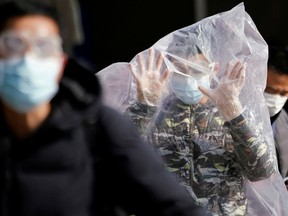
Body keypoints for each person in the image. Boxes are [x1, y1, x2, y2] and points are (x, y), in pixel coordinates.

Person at [0, 1, 211, 216]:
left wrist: (234, 115)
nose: (27, 60)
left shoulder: (95, 127)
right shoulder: (162, 114)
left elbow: (172, 203)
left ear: (61, 61)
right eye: (12, 45)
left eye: (43, 47)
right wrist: (145, 107)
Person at [97, 3, 288, 216]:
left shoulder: (232, 111)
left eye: (196, 70)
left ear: (213, 68)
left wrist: (233, 111)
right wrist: (145, 105)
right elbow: (119, 161)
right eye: (181, 71)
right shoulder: (156, 113)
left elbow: (261, 170)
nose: (188, 78)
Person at [264, 45, 288, 189]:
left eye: (284, 93)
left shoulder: (283, 119)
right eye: (270, 90)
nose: (276, 98)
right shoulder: (232, 119)